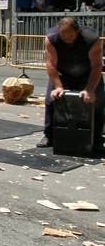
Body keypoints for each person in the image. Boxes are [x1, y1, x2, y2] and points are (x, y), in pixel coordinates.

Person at [37, 17, 104, 153]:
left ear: (77, 31)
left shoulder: (91, 38)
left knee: (97, 103)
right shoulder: (52, 38)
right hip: (63, 72)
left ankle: (96, 139)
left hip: (87, 73)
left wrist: (90, 89)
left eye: (71, 37)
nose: (68, 40)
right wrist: (58, 87)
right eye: (64, 37)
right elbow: (50, 64)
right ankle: (48, 135)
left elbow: (97, 66)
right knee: (51, 101)